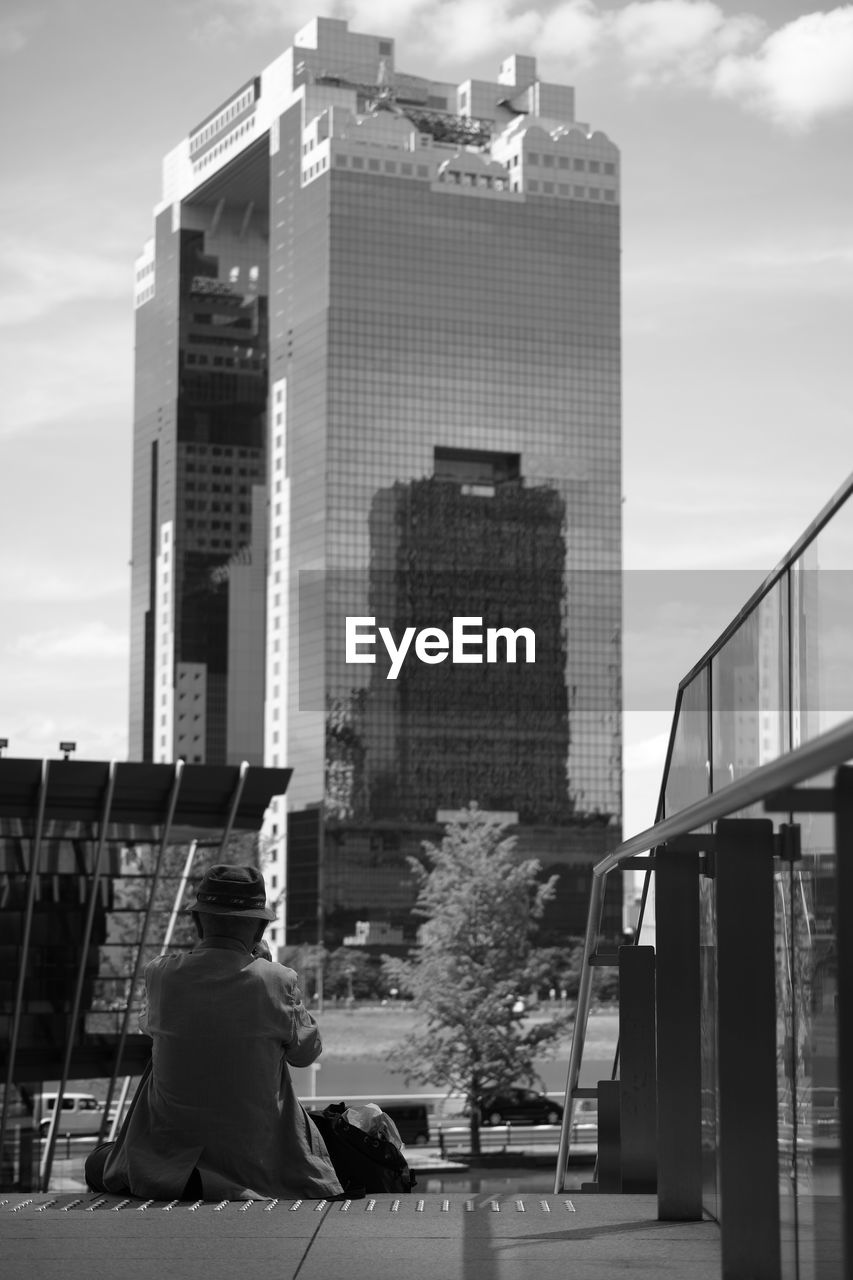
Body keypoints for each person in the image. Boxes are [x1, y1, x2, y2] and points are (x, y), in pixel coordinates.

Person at [85, 863, 342, 1201]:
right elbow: (306, 1054)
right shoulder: (277, 980)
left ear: (198, 921)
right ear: (260, 928)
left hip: (165, 1165)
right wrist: (265, 965)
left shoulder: (161, 975)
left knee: (98, 1161)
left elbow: (150, 1027)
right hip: (259, 1165)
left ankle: (191, 1177)